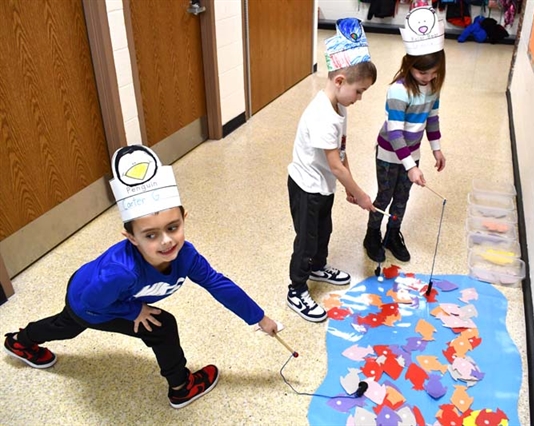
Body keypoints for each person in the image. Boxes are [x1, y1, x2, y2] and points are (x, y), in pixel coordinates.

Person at [3, 145, 279, 409]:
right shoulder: (120, 272)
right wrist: (133, 310)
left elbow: (219, 285)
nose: (167, 241)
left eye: (173, 227)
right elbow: (91, 303)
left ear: (184, 218)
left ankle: (20, 341)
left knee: (67, 325)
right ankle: (181, 388)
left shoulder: (186, 255)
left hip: (100, 290)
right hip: (88, 299)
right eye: (151, 235)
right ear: (131, 238)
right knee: (127, 324)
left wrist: (259, 317)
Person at [286, 18, 378, 323]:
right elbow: (336, 167)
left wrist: (350, 189)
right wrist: (361, 194)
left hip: (322, 184)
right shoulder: (323, 115)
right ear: (339, 81)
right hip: (307, 187)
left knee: (323, 230)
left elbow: (341, 152)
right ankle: (296, 288)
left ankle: (317, 266)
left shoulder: (340, 107)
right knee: (307, 239)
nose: (360, 98)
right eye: (359, 91)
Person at [363, 5, 447, 263]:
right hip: (390, 154)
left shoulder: (432, 86)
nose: (429, 77)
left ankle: (393, 234)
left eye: (434, 73)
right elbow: (395, 133)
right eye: (423, 72)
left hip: (412, 153)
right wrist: (410, 166)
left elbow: (432, 118)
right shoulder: (398, 91)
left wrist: (436, 148)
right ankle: (372, 234)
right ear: (409, 65)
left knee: (402, 198)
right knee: (384, 197)